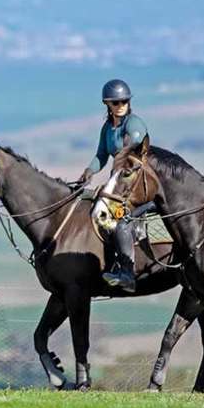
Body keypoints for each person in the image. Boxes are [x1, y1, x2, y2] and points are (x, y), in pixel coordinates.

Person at [79, 79, 149, 292]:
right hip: (118, 183)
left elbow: (133, 147)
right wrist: (89, 172)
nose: (121, 105)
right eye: (116, 102)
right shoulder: (107, 128)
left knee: (121, 221)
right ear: (107, 104)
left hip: (135, 183)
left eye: (124, 101)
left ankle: (127, 272)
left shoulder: (134, 124)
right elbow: (101, 155)